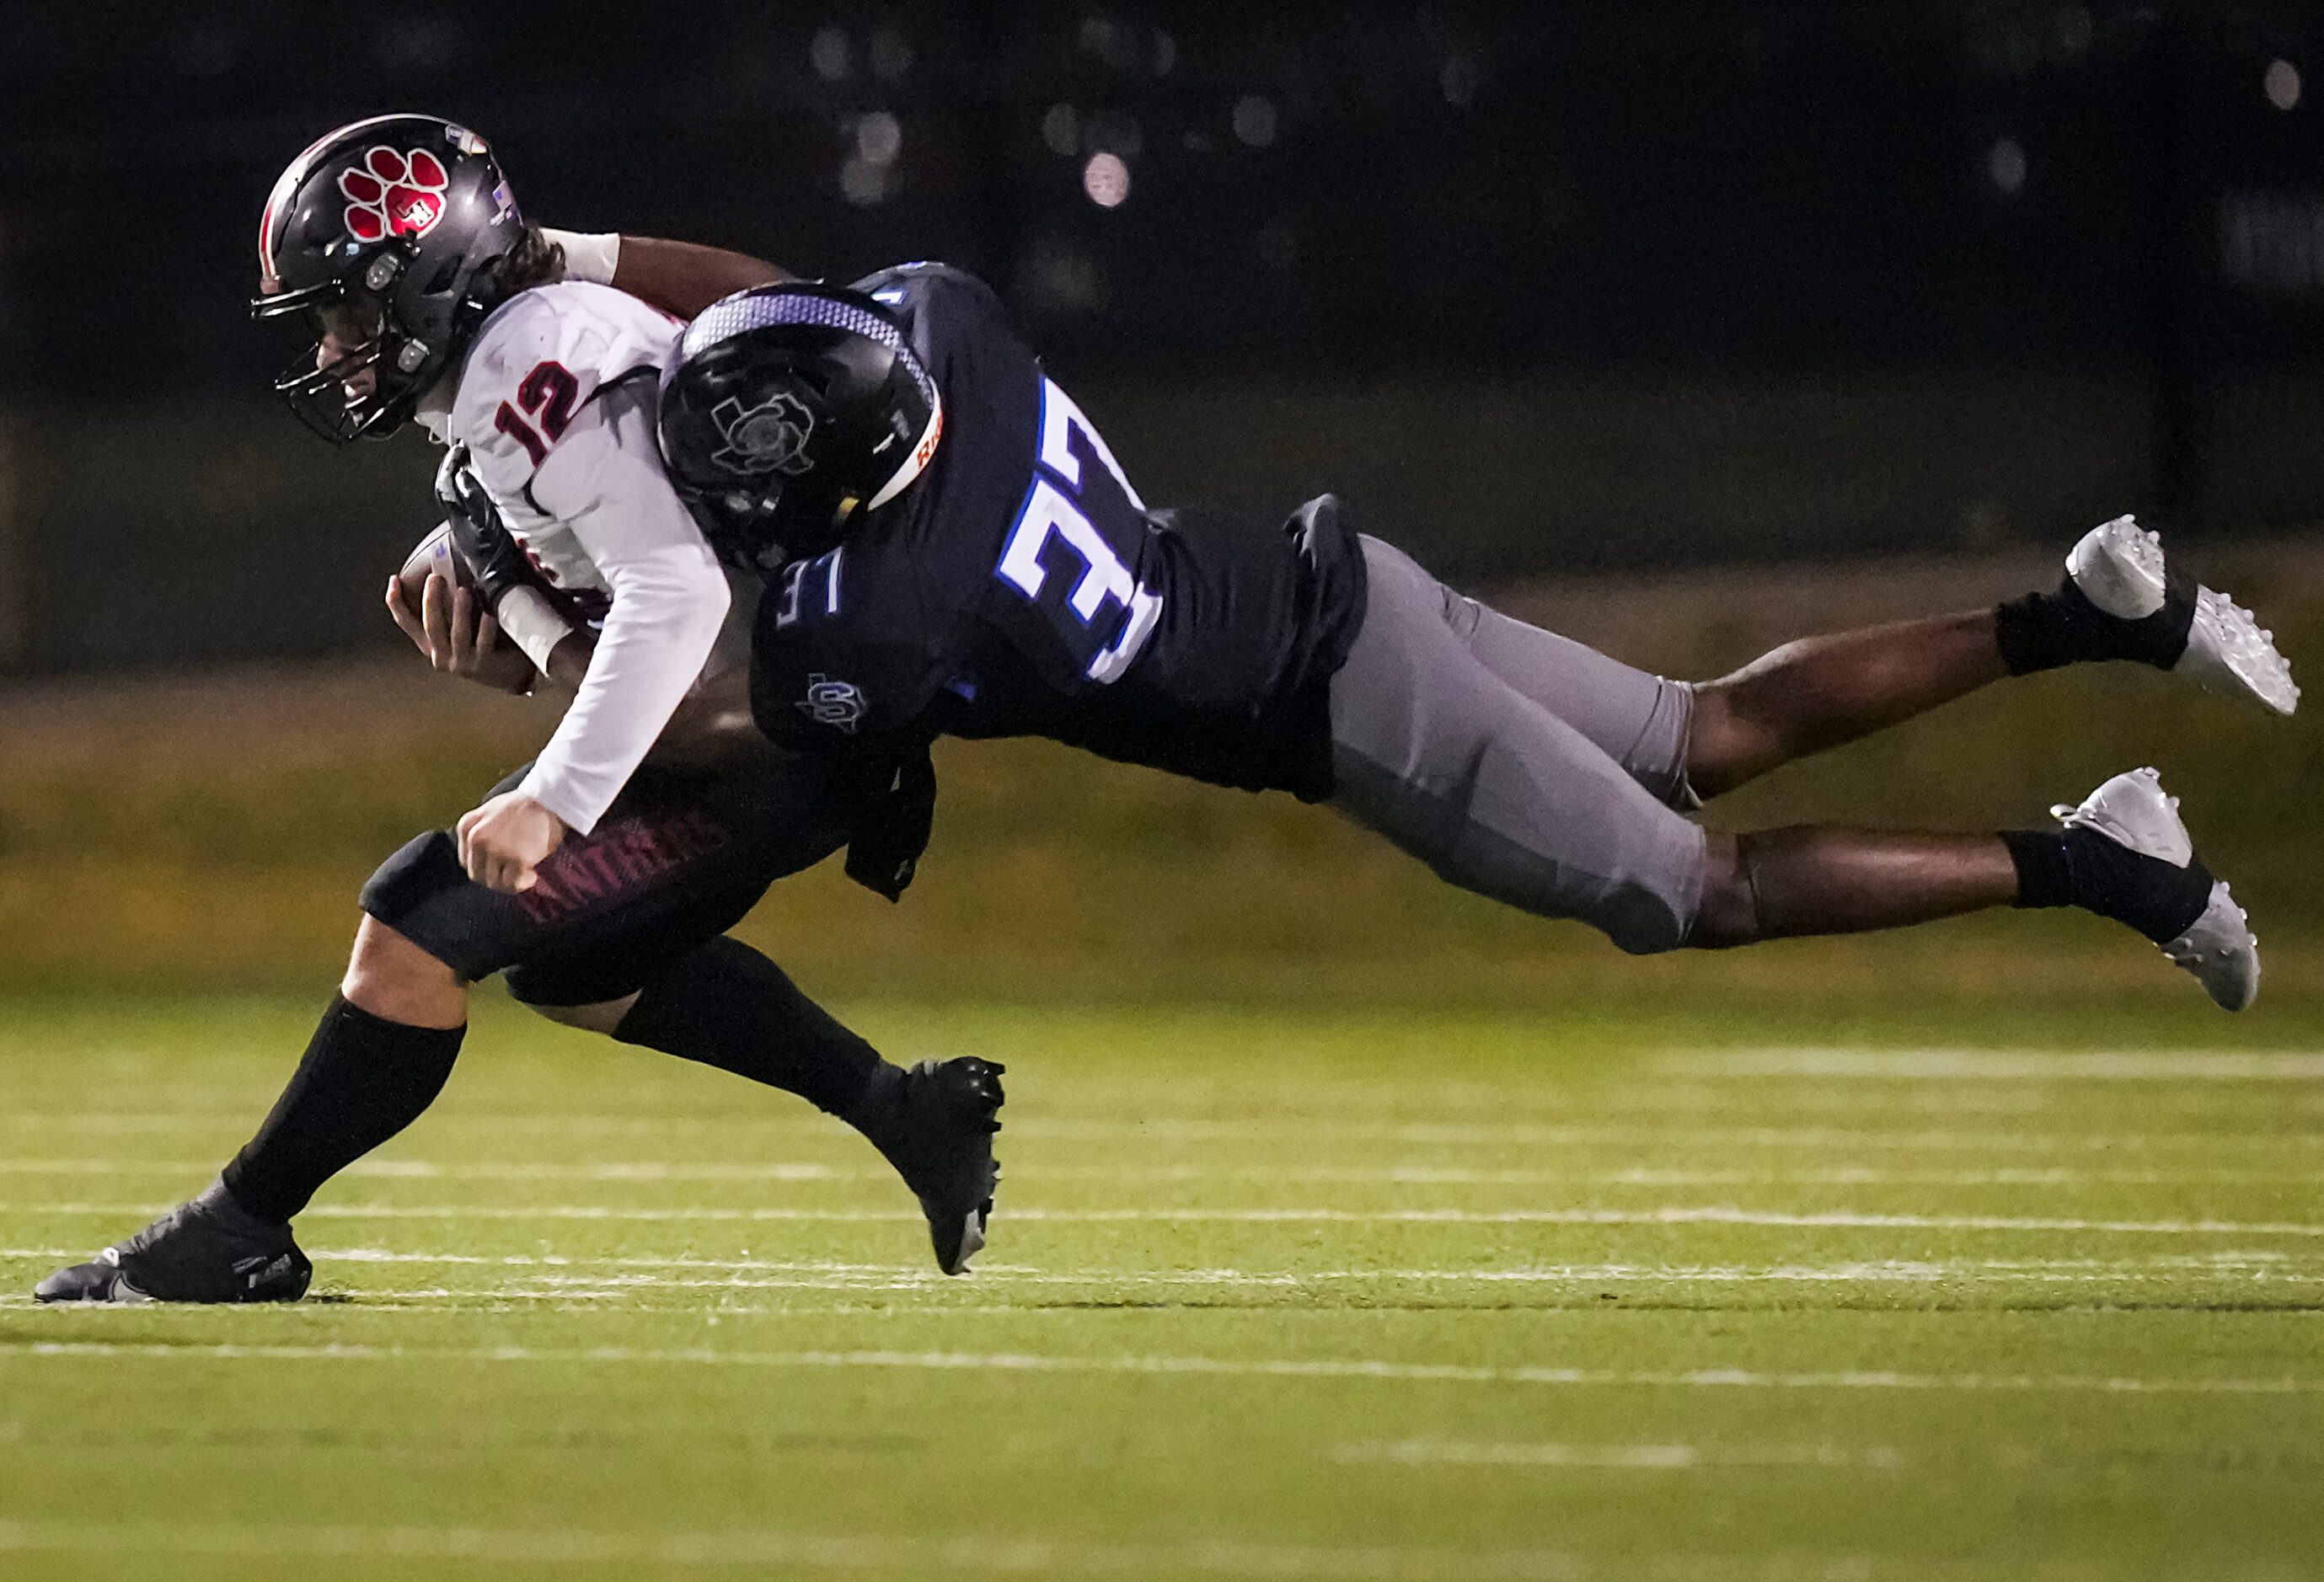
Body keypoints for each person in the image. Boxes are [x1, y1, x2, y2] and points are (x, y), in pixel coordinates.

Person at [653, 270, 2295, 1008]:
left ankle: (2106, 863)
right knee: (1698, 728)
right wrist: (584, 262)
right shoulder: (942, 326)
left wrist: (550, 643)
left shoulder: (879, 604)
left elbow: (735, 721)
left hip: (1338, 700)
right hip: (1333, 580)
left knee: (1692, 894)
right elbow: (789, 302)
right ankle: (2081, 612)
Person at [34, 115, 999, 1307]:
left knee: (417, 928)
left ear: (433, 280)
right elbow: (635, 577)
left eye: (346, 314)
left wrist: (557, 795)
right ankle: (909, 1111)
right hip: (773, 732)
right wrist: (524, 625)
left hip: (780, 738)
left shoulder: (530, 359)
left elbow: (678, 587)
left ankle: (239, 1229)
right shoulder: (512, 364)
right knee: (578, 969)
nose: (334, 353)